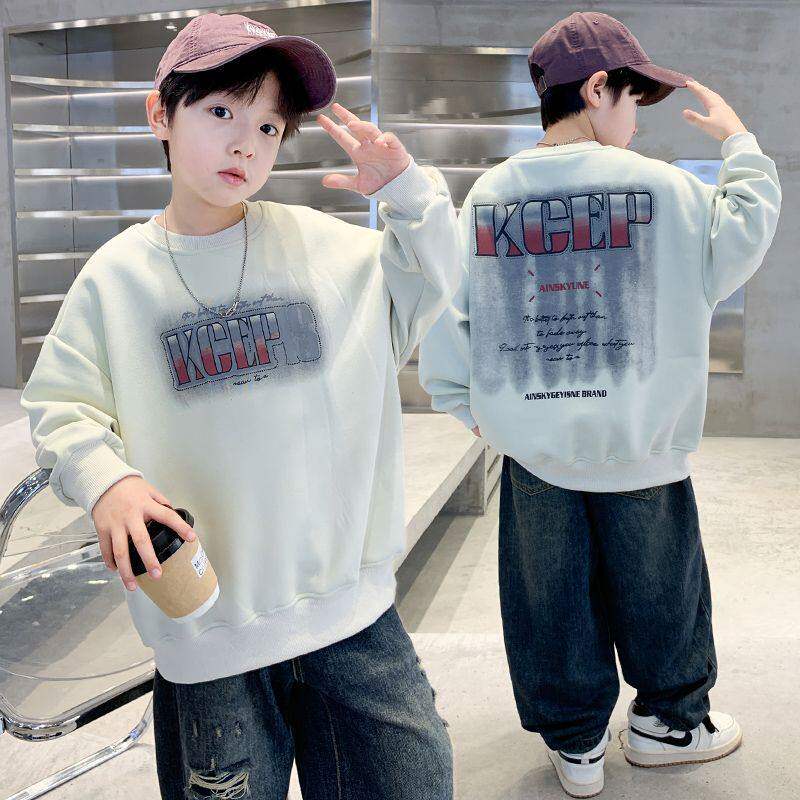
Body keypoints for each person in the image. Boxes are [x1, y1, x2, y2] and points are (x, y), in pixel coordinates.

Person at [20, 12, 460, 799]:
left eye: (268, 126)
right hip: (208, 632)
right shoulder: (116, 279)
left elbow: (439, 280)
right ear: (161, 114)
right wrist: (107, 481)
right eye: (221, 111)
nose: (245, 144)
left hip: (351, 618)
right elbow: (60, 404)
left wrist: (407, 194)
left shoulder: (328, 251)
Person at [418, 10, 781, 799]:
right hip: (643, 447)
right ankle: (669, 725)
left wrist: (473, 407)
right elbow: (743, 237)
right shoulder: (666, 189)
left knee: (550, 601)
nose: (635, 119)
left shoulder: (493, 194)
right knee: (662, 591)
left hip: (536, 455)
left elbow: (450, 312)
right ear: (595, 88)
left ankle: (577, 745)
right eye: (632, 99)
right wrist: (740, 144)